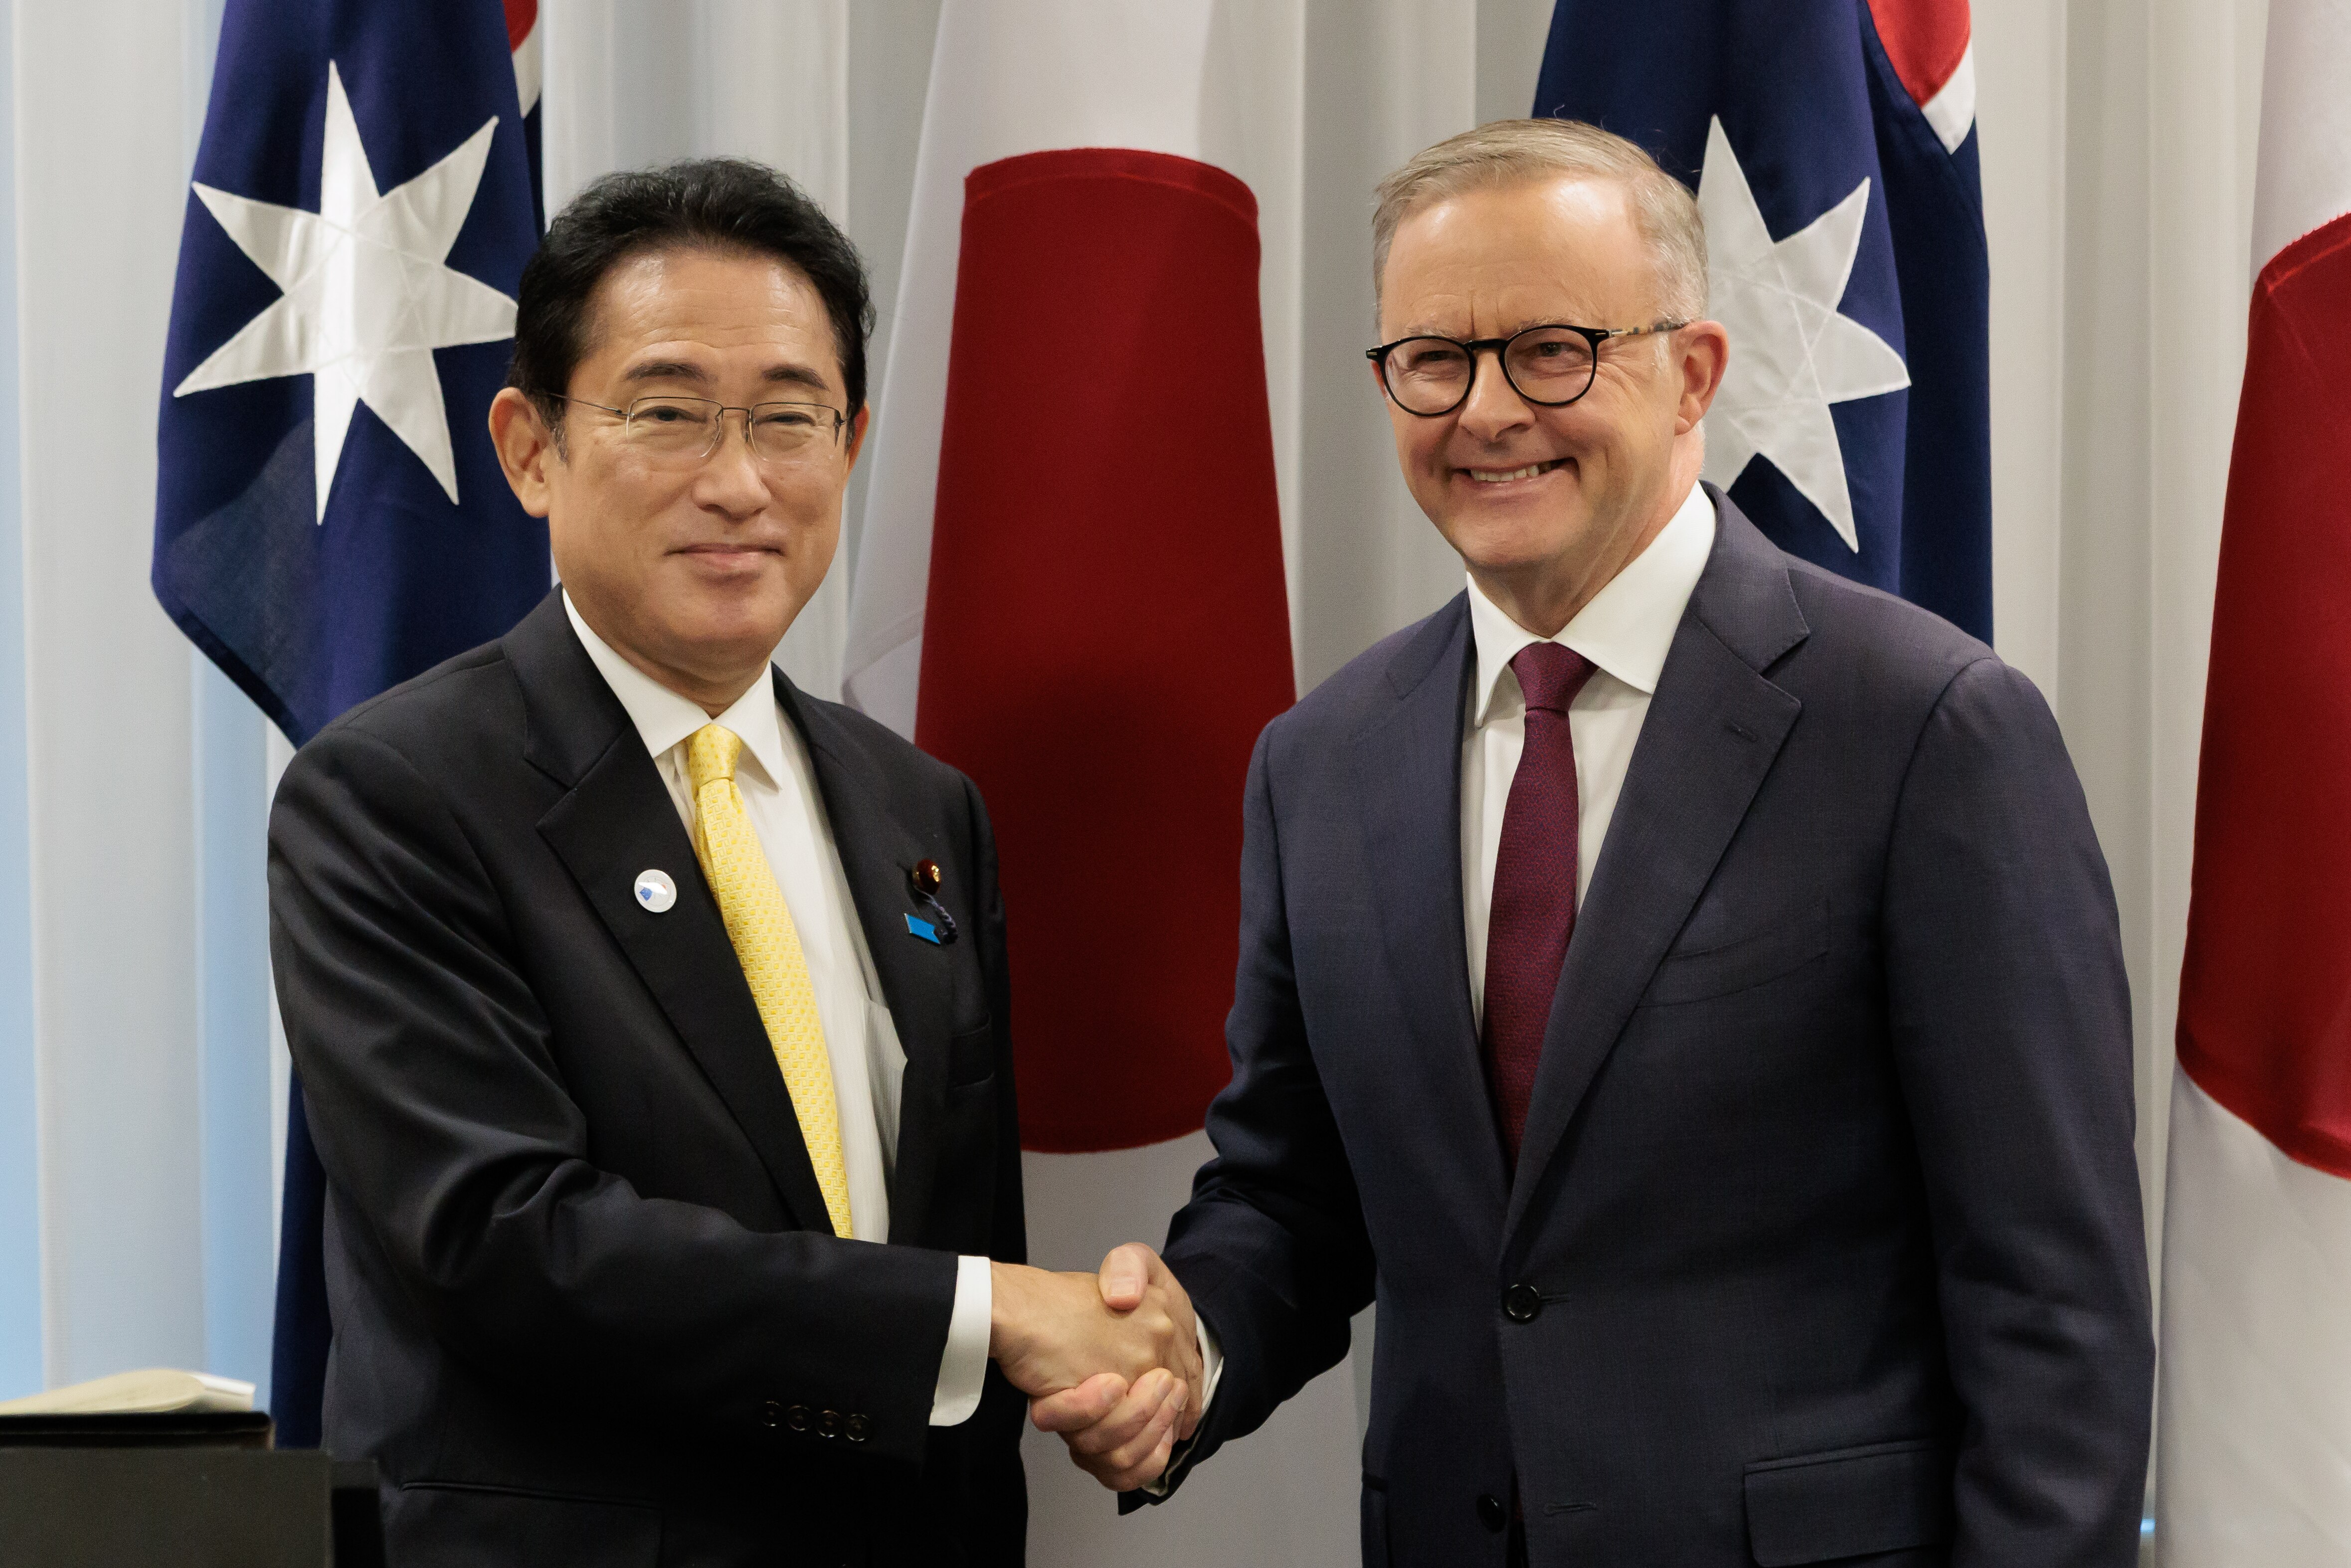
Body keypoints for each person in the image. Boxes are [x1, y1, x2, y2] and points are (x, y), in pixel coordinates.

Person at [1036, 120, 2154, 1566]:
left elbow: (2051, 1304)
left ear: (1691, 372)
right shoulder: (1318, 762)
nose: (1487, 409)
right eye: (1432, 359)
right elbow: (1292, 1195)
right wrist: (1187, 1353)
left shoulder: (1928, 730)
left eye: (1552, 349)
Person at [267, 158, 1197, 1568]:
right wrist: (992, 1312)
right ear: (529, 446)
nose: (738, 480)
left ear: (851, 438)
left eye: (788, 418)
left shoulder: (920, 810)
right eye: (666, 414)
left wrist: (1098, 1380)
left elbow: (946, 1231)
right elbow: (509, 1245)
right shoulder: (391, 796)